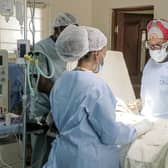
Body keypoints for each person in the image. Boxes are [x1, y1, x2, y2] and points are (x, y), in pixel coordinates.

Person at [43, 24, 136, 168]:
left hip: (63, 156)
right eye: (104, 53)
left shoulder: (61, 81)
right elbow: (110, 134)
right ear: (97, 54)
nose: (104, 56)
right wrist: (135, 130)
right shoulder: (96, 86)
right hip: (88, 160)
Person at [30, 13, 78, 168]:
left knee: (56, 156)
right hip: (44, 110)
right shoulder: (41, 48)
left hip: (61, 110)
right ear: (57, 30)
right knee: (42, 155)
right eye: (65, 32)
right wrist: (63, 96)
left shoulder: (69, 48)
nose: (69, 38)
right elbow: (41, 83)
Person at [141, 19, 168, 118]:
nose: (154, 49)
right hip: (147, 119)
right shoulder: (149, 64)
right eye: (151, 46)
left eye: (158, 45)